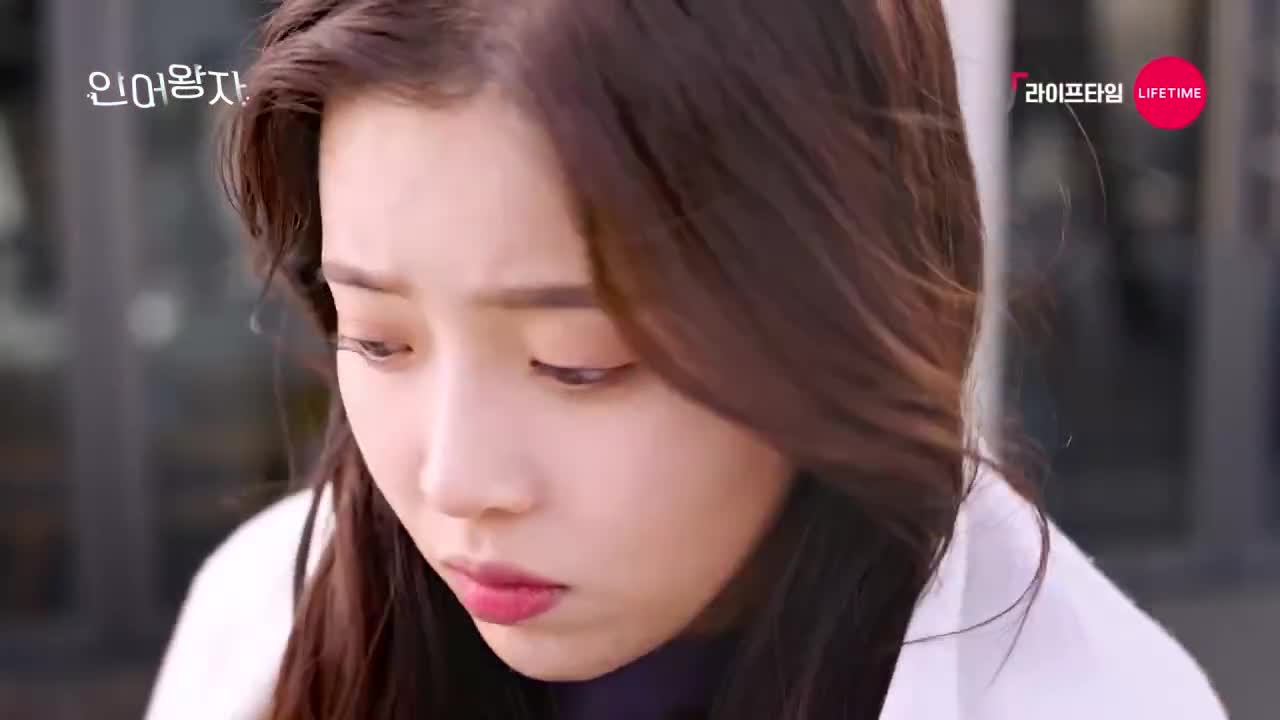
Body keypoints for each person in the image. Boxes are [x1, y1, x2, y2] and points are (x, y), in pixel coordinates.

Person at [144, 1, 1228, 718]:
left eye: (579, 362)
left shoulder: (1090, 699)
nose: (456, 482)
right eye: (379, 338)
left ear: (839, 314)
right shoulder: (268, 616)